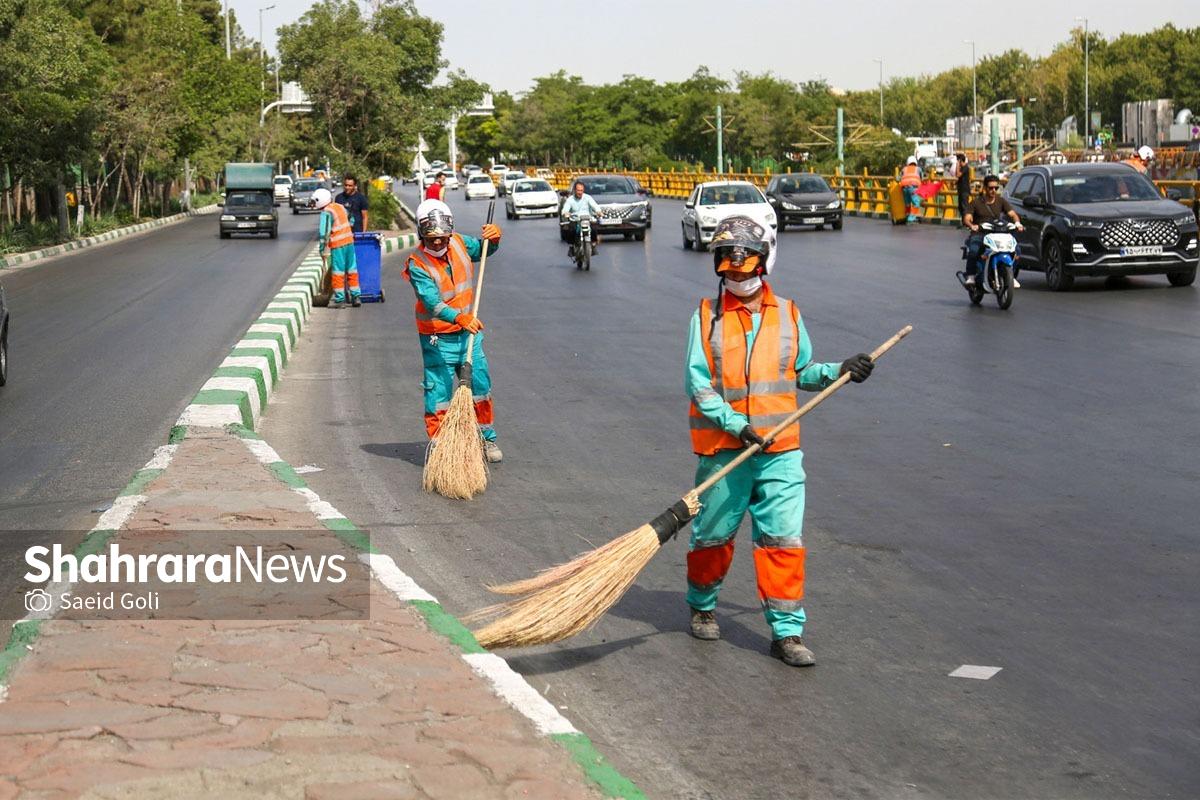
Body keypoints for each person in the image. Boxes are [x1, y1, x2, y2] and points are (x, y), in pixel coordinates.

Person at [683, 215, 874, 668]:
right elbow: (700, 384)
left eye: (744, 267)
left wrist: (839, 372)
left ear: (762, 264)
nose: (736, 276)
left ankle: (787, 633)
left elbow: (801, 372)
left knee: (782, 541)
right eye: (728, 269)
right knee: (712, 536)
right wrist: (735, 424)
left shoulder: (788, 313)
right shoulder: (706, 317)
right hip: (727, 450)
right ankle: (702, 605)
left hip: (780, 451)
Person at [402, 199, 505, 463]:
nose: (437, 243)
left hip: (468, 334)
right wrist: (460, 318)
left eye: (441, 237)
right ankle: (439, 444)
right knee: (438, 394)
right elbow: (432, 304)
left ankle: (487, 438)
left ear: (450, 231)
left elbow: (483, 250)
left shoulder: (459, 242)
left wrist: (493, 239)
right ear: (421, 234)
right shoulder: (417, 264)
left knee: (480, 386)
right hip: (437, 339)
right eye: (430, 238)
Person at [962, 174, 1025, 288]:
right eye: (991, 188)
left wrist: (1017, 223)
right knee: (974, 251)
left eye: (996, 188)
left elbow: (1013, 214)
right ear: (985, 188)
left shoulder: (1001, 201)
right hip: (980, 233)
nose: (993, 190)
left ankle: (1011, 276)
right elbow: (967, 218)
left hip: (998, 233)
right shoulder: (976, 202)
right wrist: (972, 225)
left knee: (1017, 250)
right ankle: (971, 276)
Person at [311, 188, 360, 308]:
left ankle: (339, 300)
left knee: (338, 272)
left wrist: (322, 249)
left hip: (338, 245)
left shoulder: (326, 212)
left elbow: (324, 233)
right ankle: (356, 296)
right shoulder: (339, 207)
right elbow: (351, 219)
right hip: (349, 242)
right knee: (352, 270)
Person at [560, 180, 602, 255]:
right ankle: (571, 247)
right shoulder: (570, 199)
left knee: (594, 229)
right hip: (576, 220)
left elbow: (595, 206)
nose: (580, 192)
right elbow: (565, 209)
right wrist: (566, 213)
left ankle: (593, 246)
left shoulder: (588, 198)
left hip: (587, 220)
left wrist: (599, 211)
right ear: (575, 190)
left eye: (581, 190)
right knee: (571, 230)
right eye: (578, 190)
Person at [899, 156, 922, 223]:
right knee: (916, 203)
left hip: (904, 187)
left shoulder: (904, 169)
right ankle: (911, 218)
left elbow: (900, 177)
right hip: (913, 187)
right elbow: (921, 178)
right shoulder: (918, 169)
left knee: (907, 203)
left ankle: (907, 215)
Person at [955, 153, 971, 226]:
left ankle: (966, 222)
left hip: (964, 191)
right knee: (961, 207)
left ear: (961, 160)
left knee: (964, 207)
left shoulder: (965, 168)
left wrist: (957, 165)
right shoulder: (962, 168)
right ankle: (963, 222)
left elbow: (958, 175)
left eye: (958, 161)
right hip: (961, 190)